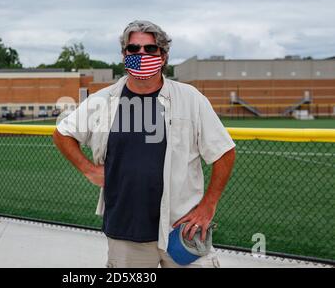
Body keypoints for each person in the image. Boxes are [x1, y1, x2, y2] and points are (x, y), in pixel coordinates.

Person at [53, 20, 236, 268]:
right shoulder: (103, 101)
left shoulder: (190, 99)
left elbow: (224, 151)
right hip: (126, 230)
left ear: (163, 56)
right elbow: (63, 133)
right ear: (124, 54)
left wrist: (208, 205)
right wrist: (89, 169)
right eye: (133, 49)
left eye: (150, 49)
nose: (141, 54)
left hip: (181, 228)